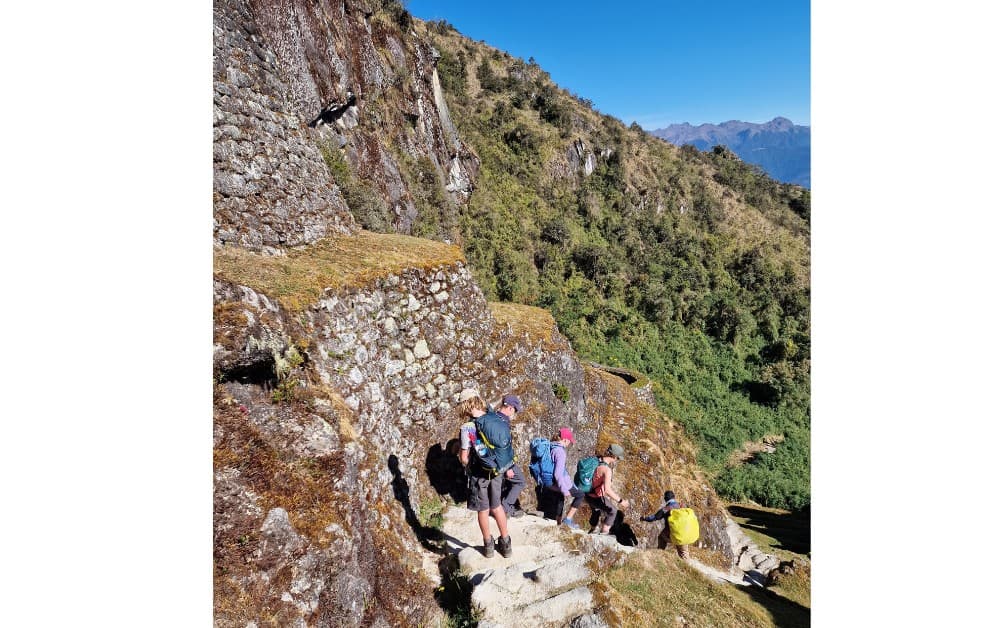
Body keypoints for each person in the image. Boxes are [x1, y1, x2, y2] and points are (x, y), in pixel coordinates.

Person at [457, 388, 513, 558]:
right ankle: (506, 545)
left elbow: (464, 457)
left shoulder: (467, 428)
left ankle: (488, 548)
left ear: (465, 405)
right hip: (496, 471)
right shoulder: (495, 417)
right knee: (497, 507)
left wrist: (467, 463)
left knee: (483, 509)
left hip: (479, 474)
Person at [584, 444, 630, 535]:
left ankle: (593, 529)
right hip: (595, 496)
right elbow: (607, 490)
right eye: (617, 458)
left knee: (596, 510)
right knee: (613, 511)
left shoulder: (596, 460)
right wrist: (621, 501)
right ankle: (604, 533)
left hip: (586, 493)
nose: (617, 460)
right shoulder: (606, 470)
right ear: (613, 456)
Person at [547, 427, 585, 529]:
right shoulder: (560, 452)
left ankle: (558, 522)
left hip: (549, 482)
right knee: (580, 495)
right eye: (569, 441)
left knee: (560, 499)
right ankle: (567, 519)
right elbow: (558, 474)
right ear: (565, 440)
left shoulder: (551, 446)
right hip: (559, 482)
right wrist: (564, 489)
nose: (569, 444)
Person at [495, 394, 526, 518]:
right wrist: (508, 467)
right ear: (510, 408)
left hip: (494, 460)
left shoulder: (493, 417)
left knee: (502, 483)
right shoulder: (503, 422)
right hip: (504, 461)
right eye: (515, 410)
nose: (515, 413)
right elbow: (502, 446)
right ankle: (505, 508)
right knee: (520, 481)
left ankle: (502, 506)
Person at [641, 490, 691, 559]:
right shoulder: (681, 506)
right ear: (674, 497)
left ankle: (659, 556)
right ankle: (687, 566)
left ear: (665, 499)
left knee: (661, 538)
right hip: (684, 531)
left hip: (673, 532)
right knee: (684, 554)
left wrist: (644, 518)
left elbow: (655, 517)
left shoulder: (667, 508)